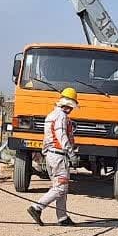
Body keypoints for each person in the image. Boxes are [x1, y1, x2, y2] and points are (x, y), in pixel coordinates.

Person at [27, 87, 79, 227]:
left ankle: (62, 217)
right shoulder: (61, 116)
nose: (71, 110)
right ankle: (37, 207)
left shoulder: (51, 115)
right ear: (68, 105)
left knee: (60, 187)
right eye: (71, 106)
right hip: (58, 156)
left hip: (51, 155)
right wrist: (71, 154)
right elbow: (61, 137)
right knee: (61, 188)